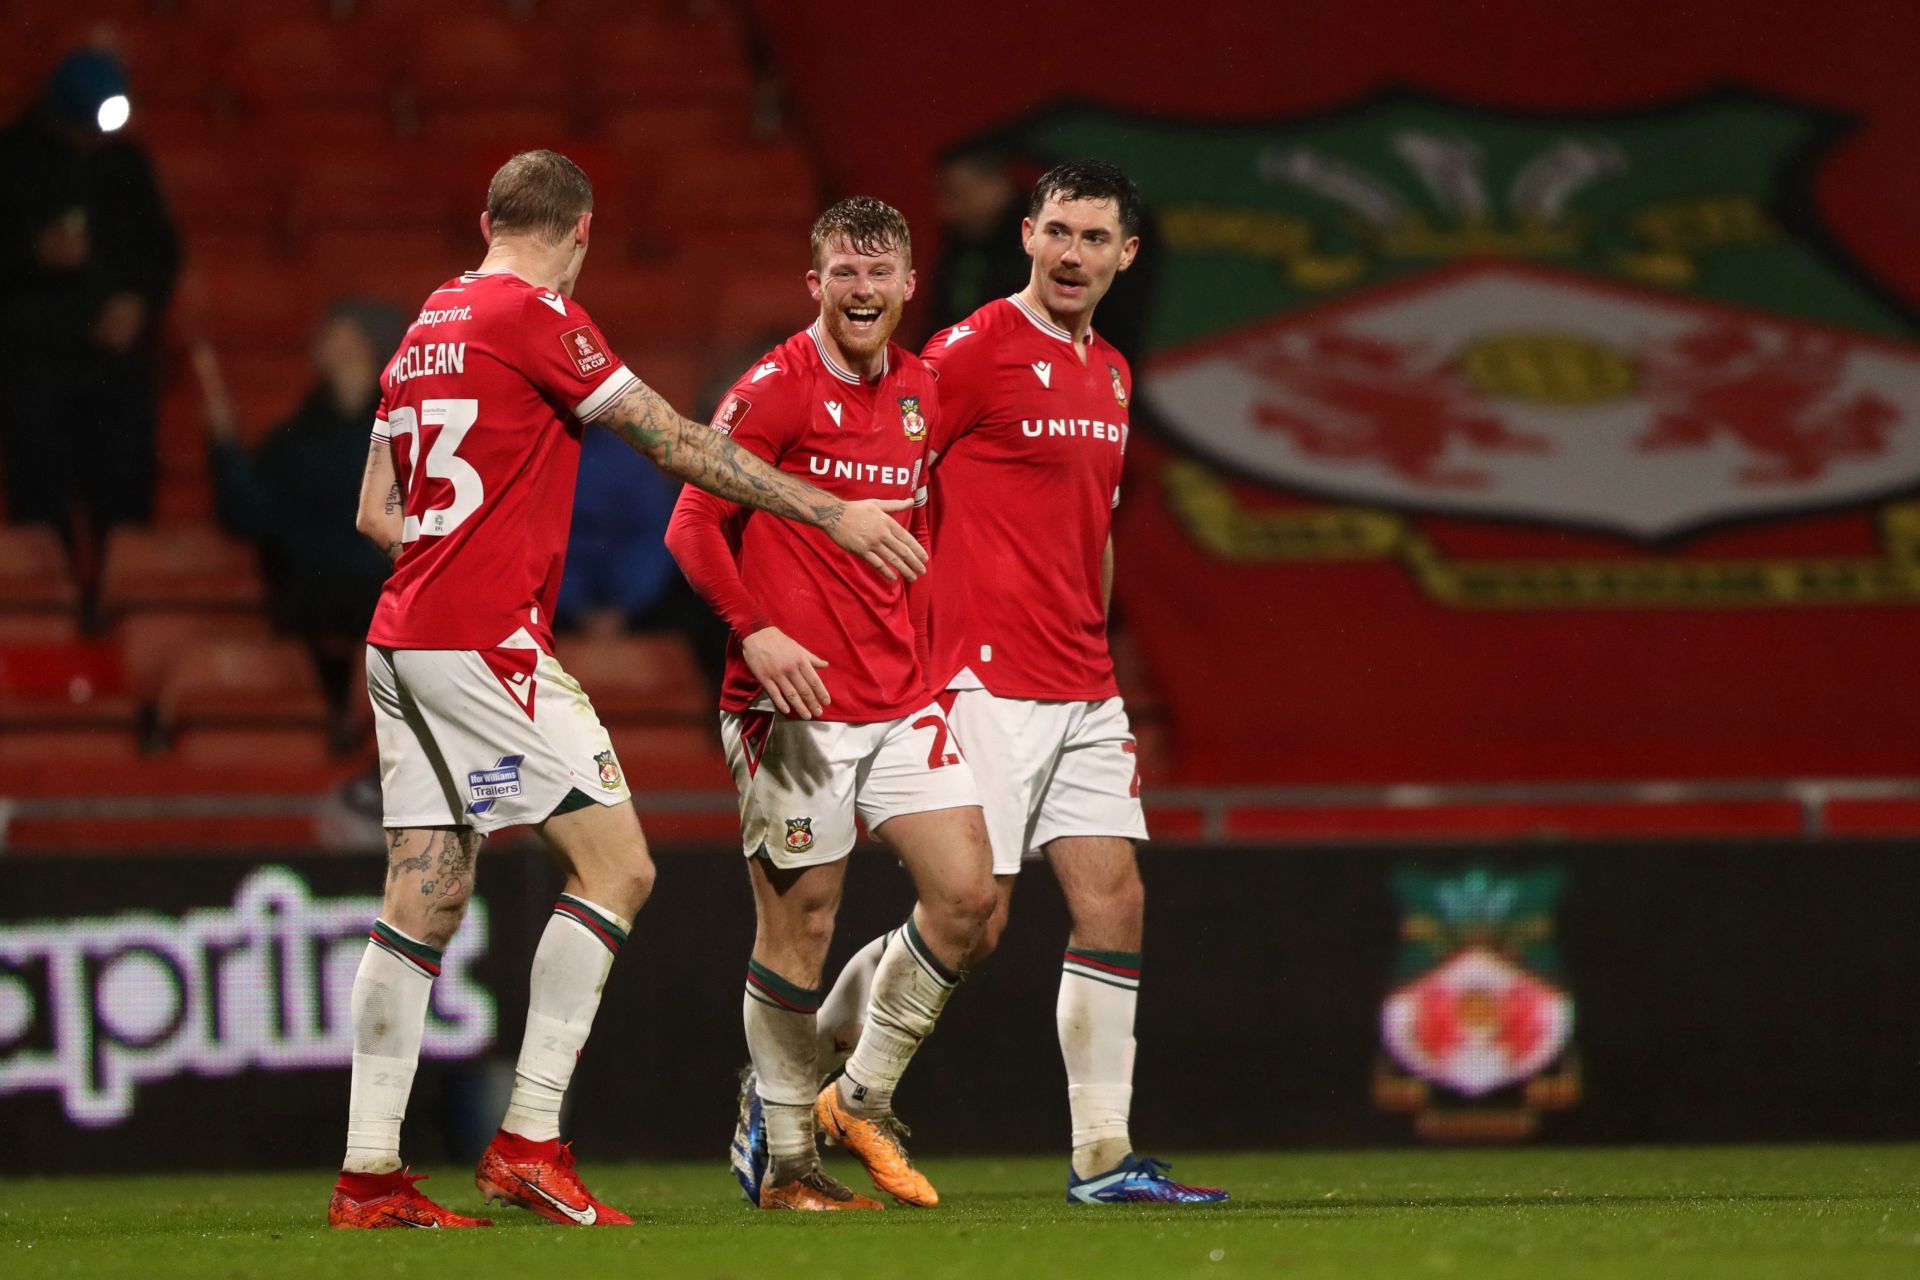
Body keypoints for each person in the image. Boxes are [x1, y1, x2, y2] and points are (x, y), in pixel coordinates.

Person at [330, 150, 927, 1231]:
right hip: (483, 640)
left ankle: (370, 1175)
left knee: (420, 896)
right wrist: (830, 511)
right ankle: (528, 1141)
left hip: (401, 634)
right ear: (584, 230)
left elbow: (376, 511)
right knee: (620, 867)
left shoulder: (422, 327)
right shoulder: (535, 316)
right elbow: (679, 444)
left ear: (487, 217)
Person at [812, 161, 1227, 1204]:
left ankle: (1100, 1157)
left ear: (1126, 255)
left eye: (1096, 238)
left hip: (1080, 680)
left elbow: (1092, 535)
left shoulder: (1117, 374)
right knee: (973, 919)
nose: (1073, 254)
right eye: (1058, 233)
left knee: (1114, 901)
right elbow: (875, 478)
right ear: (1029, 237)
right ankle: (830, 1078)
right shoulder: (971, 352)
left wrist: (1104, 642)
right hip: (978, 678)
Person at [665, 197, 997, 1212]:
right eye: (843, 275)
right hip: (793, 707)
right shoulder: (772, 389)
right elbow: (691, 526)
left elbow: (915, 532)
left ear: (906, 288)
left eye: (879, 275)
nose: (862, 291)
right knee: (800, 927)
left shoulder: (923, 392)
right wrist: (757, 632)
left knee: (967, 897)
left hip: (896, 696)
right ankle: (783, 1156)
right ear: (815, 285)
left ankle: (854, 1094)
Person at [199, 301, 408, 749]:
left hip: (386, 600)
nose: (324, 339)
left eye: (341, 331)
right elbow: (252, 514)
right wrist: (223, 446)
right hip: (313, 602)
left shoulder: (410, 435)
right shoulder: (295, 438)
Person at [0, 46, 178, 555]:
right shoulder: (11, 159)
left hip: (114, 369)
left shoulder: (125, 161)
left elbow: (161, 248)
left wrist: (139, 303)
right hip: (37, 366)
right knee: (40, 515)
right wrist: (35, 253)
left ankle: (121, 610)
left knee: (125, 508)